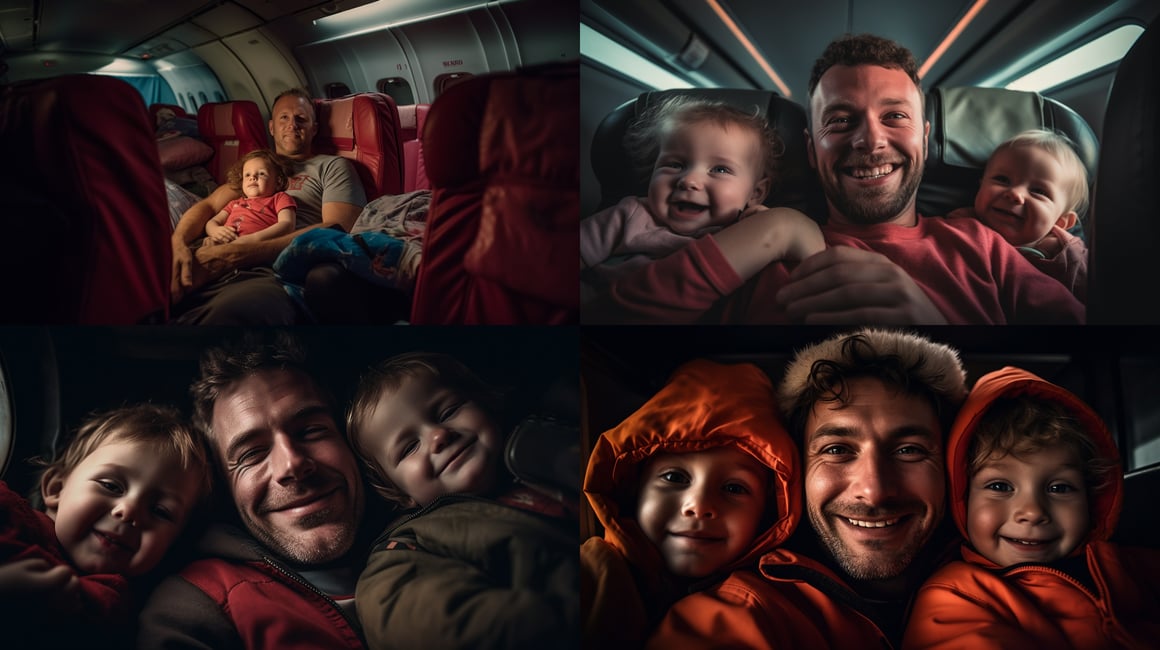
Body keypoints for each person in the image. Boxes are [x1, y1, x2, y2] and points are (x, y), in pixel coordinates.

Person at [585, 33, 1085, 325]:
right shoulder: (750, 246)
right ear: (809, 147)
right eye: (841, 120)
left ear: (927, 140)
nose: (869, 141)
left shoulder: (984, 248)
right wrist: (775, 230)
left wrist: (935, 329)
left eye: (895, 117)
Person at [649, 329, 967, 648]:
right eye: (836, 450)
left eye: (909, 450)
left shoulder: (1005, 587)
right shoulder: (742, 614)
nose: (874, 491)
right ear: (795, 469)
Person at [137, 331, 378, 649]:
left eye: (310, 431)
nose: (291, 465)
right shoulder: (191, 609)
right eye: (251, 454)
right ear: (223, 484)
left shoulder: (435, 536)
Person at [902, 367, 1160, 648]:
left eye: (1059, 488)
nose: (1033, 511)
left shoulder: (1137, 567)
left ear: (1091, 497)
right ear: (962, 497)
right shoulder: (956, 596)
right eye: (1000, 486)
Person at [344, 351, 579, 649]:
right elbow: (450, 628)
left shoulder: (556, 441)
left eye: (447, 411)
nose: (438, 436)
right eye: (409, 447)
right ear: (398, 493)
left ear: (488, 402)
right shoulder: (404, 552)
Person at [581, 359, 799, 647]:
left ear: (768, 513)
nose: (698, 506)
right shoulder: (593, 574)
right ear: (634, 487)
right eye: (674, 477)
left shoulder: (775, 601)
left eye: (734, 487)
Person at [0, 404, 211, 649]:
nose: (129, 511)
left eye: (159, 511)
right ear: (57, 487)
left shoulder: (109, 605)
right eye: (111, 486)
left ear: (173, 544)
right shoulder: (7, 507)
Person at [580, 95, 824, 298]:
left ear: (756, 193)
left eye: (719, 169)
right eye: (675, 164)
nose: (689, 180)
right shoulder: (629, 214)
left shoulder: (745, 231)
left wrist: (758, 224)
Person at [169, 87, 367, 325]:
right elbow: (209, 207)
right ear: (272, 127)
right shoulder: (256, 168)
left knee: (234, 312)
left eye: (301, 118)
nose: (292, 124)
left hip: (271, 265)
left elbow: (337, 228)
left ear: (314, 128)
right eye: (284, 117)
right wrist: (177, 242)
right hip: (216, 249)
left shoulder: (332, 167)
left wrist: (242, 253)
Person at [948, 129, 1089, 301]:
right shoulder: (959, 224)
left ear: (1061, 221)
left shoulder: (1070, 257)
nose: (1015, 193)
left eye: (1038, 191)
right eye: (1002, 179)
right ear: (981, 186)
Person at [202, 149, 298, 247]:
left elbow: (287, 224)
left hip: (257, 247)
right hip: (226, 243)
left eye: (261, 173)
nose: (252, 177)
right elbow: (213, 222)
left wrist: (254, 238)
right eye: (247, 175)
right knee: (206, 246)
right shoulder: (234, 203)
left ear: (278, 182)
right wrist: (215, 231)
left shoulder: (280, 198)